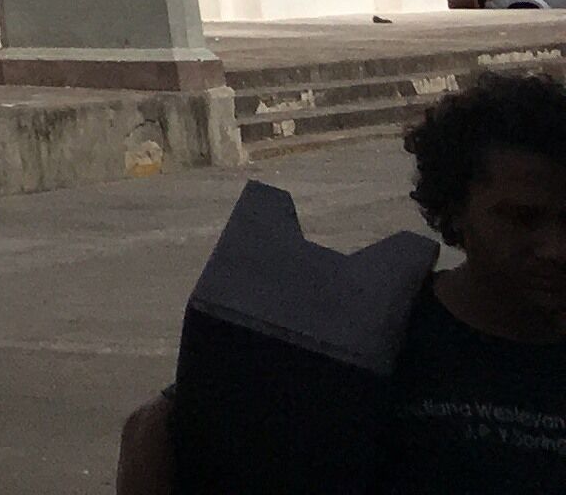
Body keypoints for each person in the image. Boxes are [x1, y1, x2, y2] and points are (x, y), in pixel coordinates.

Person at [118, 68, 566, 489]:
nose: (556, 250)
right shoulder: (369, 321)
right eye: (523, 220)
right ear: (455, 210)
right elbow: (157, 431)